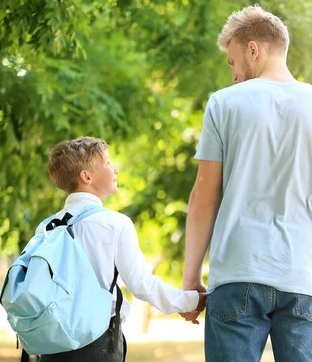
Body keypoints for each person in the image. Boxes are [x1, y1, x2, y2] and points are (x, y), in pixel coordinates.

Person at [181, 5, 312, 362]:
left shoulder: (223, 104)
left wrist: (190, 278)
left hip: (237, 273)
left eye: (232, 62)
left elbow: (203, 197)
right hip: (307, 279)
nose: (232, 75)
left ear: (253, 49)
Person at [39, 136, 205, 362]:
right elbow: (141, 284)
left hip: (51, 344)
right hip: (97, 344)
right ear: (86, 176)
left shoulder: (46, 227)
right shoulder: (114, 224)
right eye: (107, 163)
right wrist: (192, 301)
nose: (115, 170)